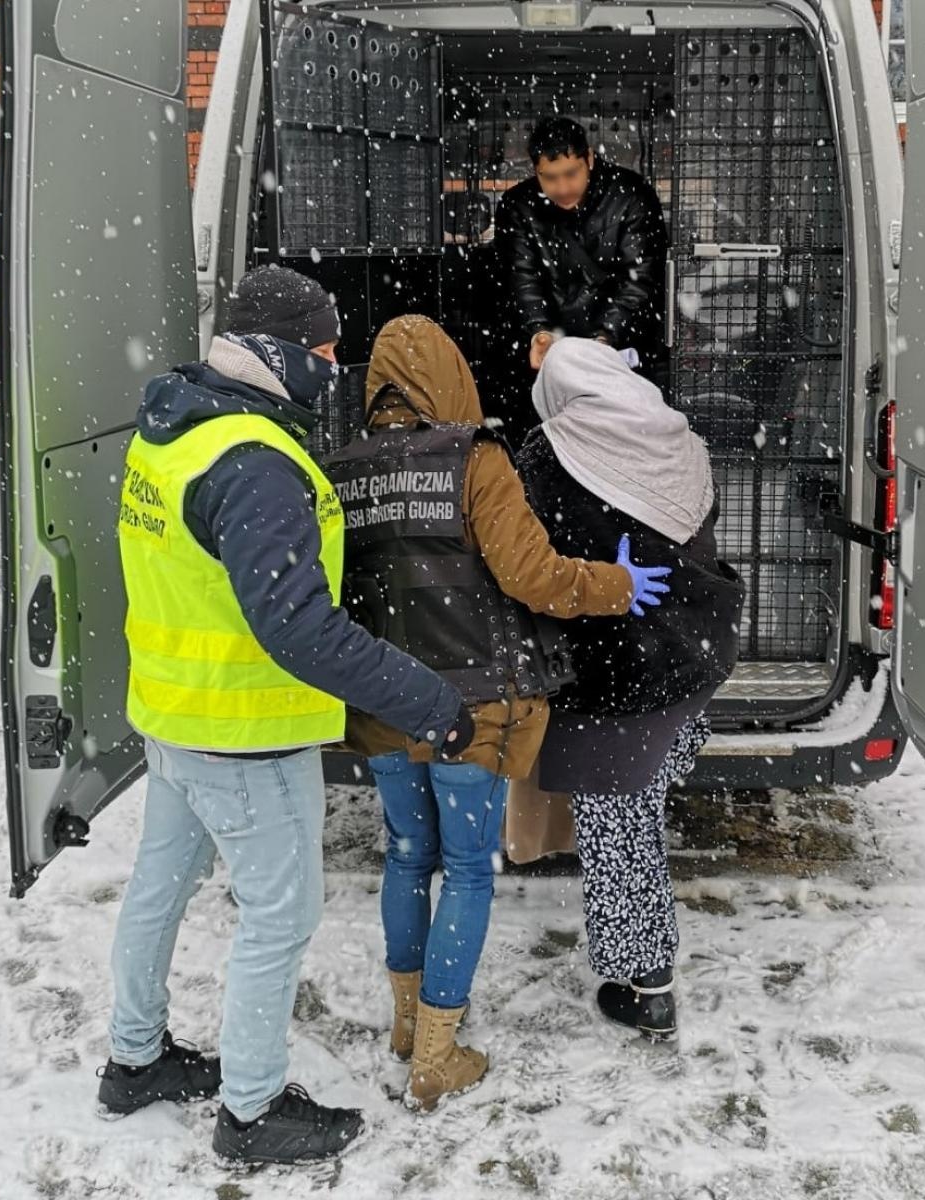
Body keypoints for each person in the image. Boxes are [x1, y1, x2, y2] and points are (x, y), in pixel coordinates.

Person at [100, 266, 475, 1166]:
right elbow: (298, 628)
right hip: (242, 732)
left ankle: (134, 1057)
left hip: (175, 715)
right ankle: (252, 1110)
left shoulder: (174, 428)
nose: (334, 363)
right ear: (275, 352)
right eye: (322, 349)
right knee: (280, 916)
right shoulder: (253, 463)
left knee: (157, 892)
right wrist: (428, 702)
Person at [323, 315, 672, 1110]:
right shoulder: (474, 460)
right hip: (471, 706)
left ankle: (409, 1025)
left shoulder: (340, 469)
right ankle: (437, 1056)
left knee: (407, 855)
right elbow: (534, 578)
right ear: (446, 376)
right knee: (468, 870)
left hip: (383, 701)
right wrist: (614, 586)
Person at [515, 337, 743, 1041]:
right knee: (643, 784)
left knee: (617, 828)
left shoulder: (548, 454)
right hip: (695, 647)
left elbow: (532, 556)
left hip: (615, 666)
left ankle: (645, 985)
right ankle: (643, 962)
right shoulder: (676, 436)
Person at [493, 115, 669, 440]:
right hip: (550, 357)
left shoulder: (631, 195)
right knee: (548, 448)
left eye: (570, 174)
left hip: (623, 353)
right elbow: (522, 277)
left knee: (623, 445)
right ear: (535, 170)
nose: (562, 188)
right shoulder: (518, 206)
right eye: (549, 177)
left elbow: (640, 279)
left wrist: (606, 338)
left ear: (589, 158)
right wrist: (538, 330)